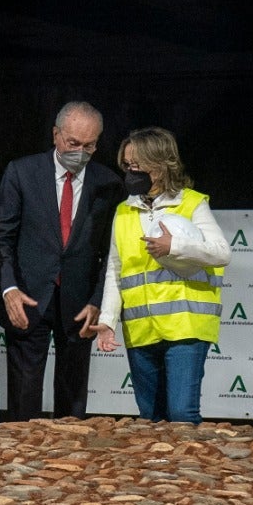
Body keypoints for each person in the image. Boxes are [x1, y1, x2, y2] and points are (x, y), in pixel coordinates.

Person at [0, 100, 124, 421]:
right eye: (73, 143)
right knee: (24, 402)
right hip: (28, 296)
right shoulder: (22, 173)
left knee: (72, 401)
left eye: (89, 145)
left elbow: (111, 252)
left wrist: (98, 300)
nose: (80, 151)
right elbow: (2, 239)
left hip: (80, 304)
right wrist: (8, 288)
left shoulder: (109, 184)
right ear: (56, 135)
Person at [94, 127, 230, 423]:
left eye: (138, 165)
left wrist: (176, 246)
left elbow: (222, 252)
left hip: (186, 326)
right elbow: (116, 271)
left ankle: (189, 468)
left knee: (181, 413)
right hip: (141, 329)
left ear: (161, 163)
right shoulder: (124, 211)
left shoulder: (191, 203)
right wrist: (107, 321)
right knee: (151, 418)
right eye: (128, 165)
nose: (132, 171)